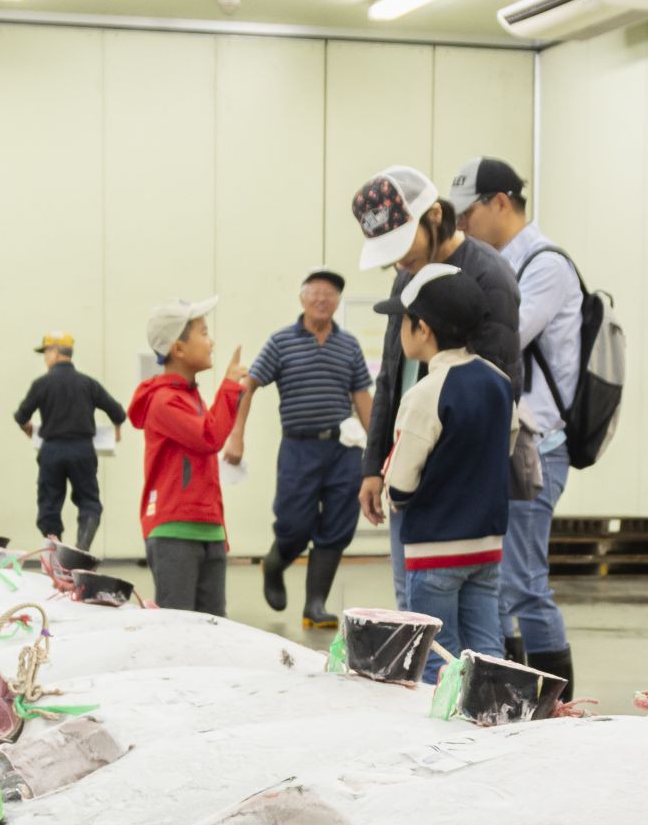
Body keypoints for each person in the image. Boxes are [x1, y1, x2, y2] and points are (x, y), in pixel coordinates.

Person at [351, 166, 519, 599]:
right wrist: (374, 467)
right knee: (411, 604)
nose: (400, 263)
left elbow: (494, 394)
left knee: (463, 615)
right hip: (407, 470)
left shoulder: (489, 277)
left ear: (436, 216)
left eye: (404, 247)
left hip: (454, 488)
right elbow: (390, 376)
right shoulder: (408, 276)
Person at [450, 157, 583, 691]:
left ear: (499, 202)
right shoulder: (500, 263)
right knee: (499, 582)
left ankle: (557, 698)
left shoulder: (544, 265)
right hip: (505, 443)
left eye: (467, 213)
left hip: (538, 446)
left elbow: (497, 340)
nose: (461, 226)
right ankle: (511, 693)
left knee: (524, 582)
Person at [381, 268, 515, 674]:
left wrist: (396, 496)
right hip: (486, 546)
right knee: (488, 652)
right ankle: (498, 727)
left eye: (403, 321)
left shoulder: (425, 392)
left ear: (423, 328)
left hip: (435, 550)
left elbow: (401, 482)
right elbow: (506, 444)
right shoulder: (499, 381)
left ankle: (442, 738)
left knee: (436, 661)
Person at [228, 270, 371, 627]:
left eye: (331, 295)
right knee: (294, 524)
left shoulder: (349, 345)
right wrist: (236, 435)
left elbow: (363, 398)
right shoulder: (281, 342)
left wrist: (378, 453)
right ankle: (274, 564)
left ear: (338, 302)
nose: (323, 300)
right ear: (302, 298)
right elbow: (249, 387)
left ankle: (315, 605)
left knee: (338, 525)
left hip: (343, 449)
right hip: (298, 447)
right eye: (316, 293)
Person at [128, 297, 245, 614]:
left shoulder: (191, 398)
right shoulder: (164, 401)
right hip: (175, 532)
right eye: (203, 333)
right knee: (177, 632)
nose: (212, 341)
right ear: (178, 349)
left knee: (212, 628)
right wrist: (231, 387)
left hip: (208, 527)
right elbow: (210, 436)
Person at [13, 330, 125, 552]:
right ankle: (82, 549)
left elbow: (21, 415)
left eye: (46, 353)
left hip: (51, 451)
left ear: (55, 353)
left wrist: (28, 429)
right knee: (89, 501)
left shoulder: (42, 384)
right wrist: (117, 431)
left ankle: (55, 553)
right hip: (82, 450)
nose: (46, 358)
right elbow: (118, 411)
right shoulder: (88, 384)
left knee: (49, 504)